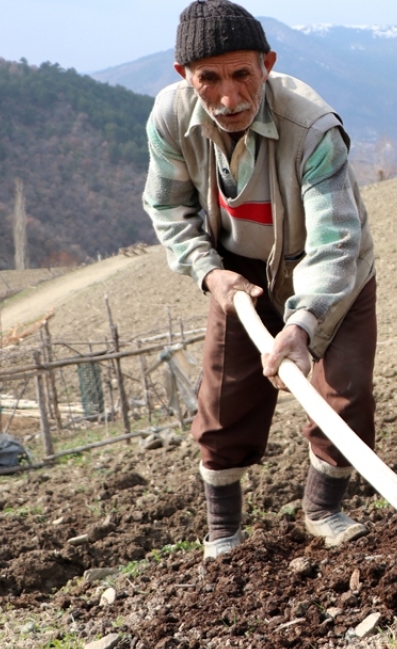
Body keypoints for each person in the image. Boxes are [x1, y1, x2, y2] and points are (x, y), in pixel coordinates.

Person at [143, 0, 378, 558]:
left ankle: (324, 509)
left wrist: (301, 324)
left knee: (344, 389)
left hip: (326, 266)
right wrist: (210, 275)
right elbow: (168, 208)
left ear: (267, 64)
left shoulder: (313, 127)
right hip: (236, 269)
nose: (228, 97)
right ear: (185, 77)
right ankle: (223, 531)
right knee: (225, 395)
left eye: (242, 74)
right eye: (210, 79)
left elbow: (334, 240)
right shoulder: (171, 119)